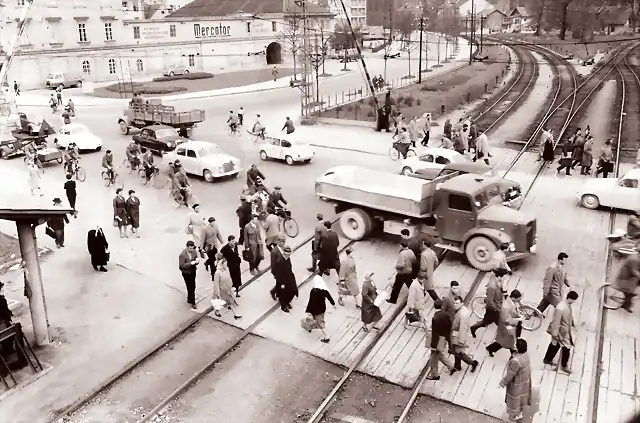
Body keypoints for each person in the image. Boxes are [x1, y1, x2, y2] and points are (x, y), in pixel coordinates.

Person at [543, 291, 578, 372]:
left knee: (555, 345)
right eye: (573, 300)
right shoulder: (561, 308)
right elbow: (556, 321)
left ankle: (547, 359)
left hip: (564, 330)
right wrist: (555, 333)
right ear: (570, 298)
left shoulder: (566, 305)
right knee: (566, 347)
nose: (574, 302)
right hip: (561, 331)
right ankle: (564, 365)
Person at [500, 338, 533, 422]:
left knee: (514, 400)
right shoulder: (525, 355)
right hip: (524, 381)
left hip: (517, 383)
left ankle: (514, 416)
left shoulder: (516, 361)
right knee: (522, 398)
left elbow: (511, 374)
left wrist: (503, 383)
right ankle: (520, 412)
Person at [471, 268, 508, 337]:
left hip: (497, 307)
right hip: (494, 309)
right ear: (499, 277)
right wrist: (498, 310)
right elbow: (490, 301)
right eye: (504, 277)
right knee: (500, 323)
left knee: (486, 321)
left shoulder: (498, 282)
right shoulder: (492, 287)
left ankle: (473, 328)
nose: (505, 279)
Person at [486, 289, 523, 357]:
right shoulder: (506, 306)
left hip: (510, 327)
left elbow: (512, 312)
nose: (519, 301)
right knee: (509, 342)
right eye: (518, 299)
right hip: (508, 327)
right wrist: (518, 319)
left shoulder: (510, 303)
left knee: (507, 342)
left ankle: (491, 348)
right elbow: (506, 319)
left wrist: (517, 316)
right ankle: (513, 355)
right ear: (513, 298)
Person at [426, 300, 456, 380]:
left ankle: (435, 375)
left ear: (434, 307)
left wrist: (433, 345)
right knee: (439, 355)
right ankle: (451, 367)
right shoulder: (446, 315)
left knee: (433, 359)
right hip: (445, 339)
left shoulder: (435, 318)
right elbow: (450, 327)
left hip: (438, 341)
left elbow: (435, 333)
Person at [450, 296, 479, 372]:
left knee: (458, 352)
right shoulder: (463, 310)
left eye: (457, 303)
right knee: (456, 351)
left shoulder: (462, 314)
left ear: (461, 303)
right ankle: (457, 366)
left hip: (458, 335)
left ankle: (472, 363)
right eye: (454, 303)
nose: (455, 305)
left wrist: (461, 341)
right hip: (457, 334)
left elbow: (462, 328)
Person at [304, 275, 336, 342]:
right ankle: (312, 327)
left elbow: (311, 301)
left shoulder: (313, 291)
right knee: (319, 320)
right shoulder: (324, 289)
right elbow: (329, 297)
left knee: (320, 324)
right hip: (323, 309)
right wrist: (333, 304)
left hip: (316, 310)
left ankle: (326, 337)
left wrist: (309, 310)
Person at [212, 253, 242, 319]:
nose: (226, 266)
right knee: (219, 303)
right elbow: (216, 283)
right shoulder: (217, 273)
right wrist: (217, 293)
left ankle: (235, 314)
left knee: (231, 301)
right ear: (221, 264)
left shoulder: (227, 269)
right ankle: (217, 311)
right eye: (225, 264)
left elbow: (229, 278)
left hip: (228, 289)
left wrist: (231, 286)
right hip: (222, 290)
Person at [275, 245, 298, 312]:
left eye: (289, 254)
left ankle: (287, 302)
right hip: (283, 280)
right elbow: (278, 273)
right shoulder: (280, 261)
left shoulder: (288, 259)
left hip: (289, 278)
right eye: (287, 254)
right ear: (284, 253)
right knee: (283, 294)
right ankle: (283, 306)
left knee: (293, 291)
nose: (288, 255)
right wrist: (281, 283)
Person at [178, 241, 199, 309]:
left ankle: (189, 298)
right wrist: (190, 264)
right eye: (190, 248)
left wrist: (197, 260)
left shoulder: (194, 251)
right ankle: (193, 302)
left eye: (192, 248)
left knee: (193, 286)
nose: (191, 250)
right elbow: (181, 266)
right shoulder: (182, 255)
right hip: (186, 273)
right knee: (190, 286)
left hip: (193, 271)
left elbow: (196, 257)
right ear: (187, 247)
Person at [269, 235, 287, 300]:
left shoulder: (284, 248)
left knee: (281, 283)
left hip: (284, 269)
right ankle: (277, 294)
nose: (283, 243)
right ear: (278, 241)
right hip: (278, 271)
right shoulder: (274, 252)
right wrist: (274, 273)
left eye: (284, 241)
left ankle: (274, 292)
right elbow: (273, 264)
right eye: (282, 241)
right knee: (281, 283)